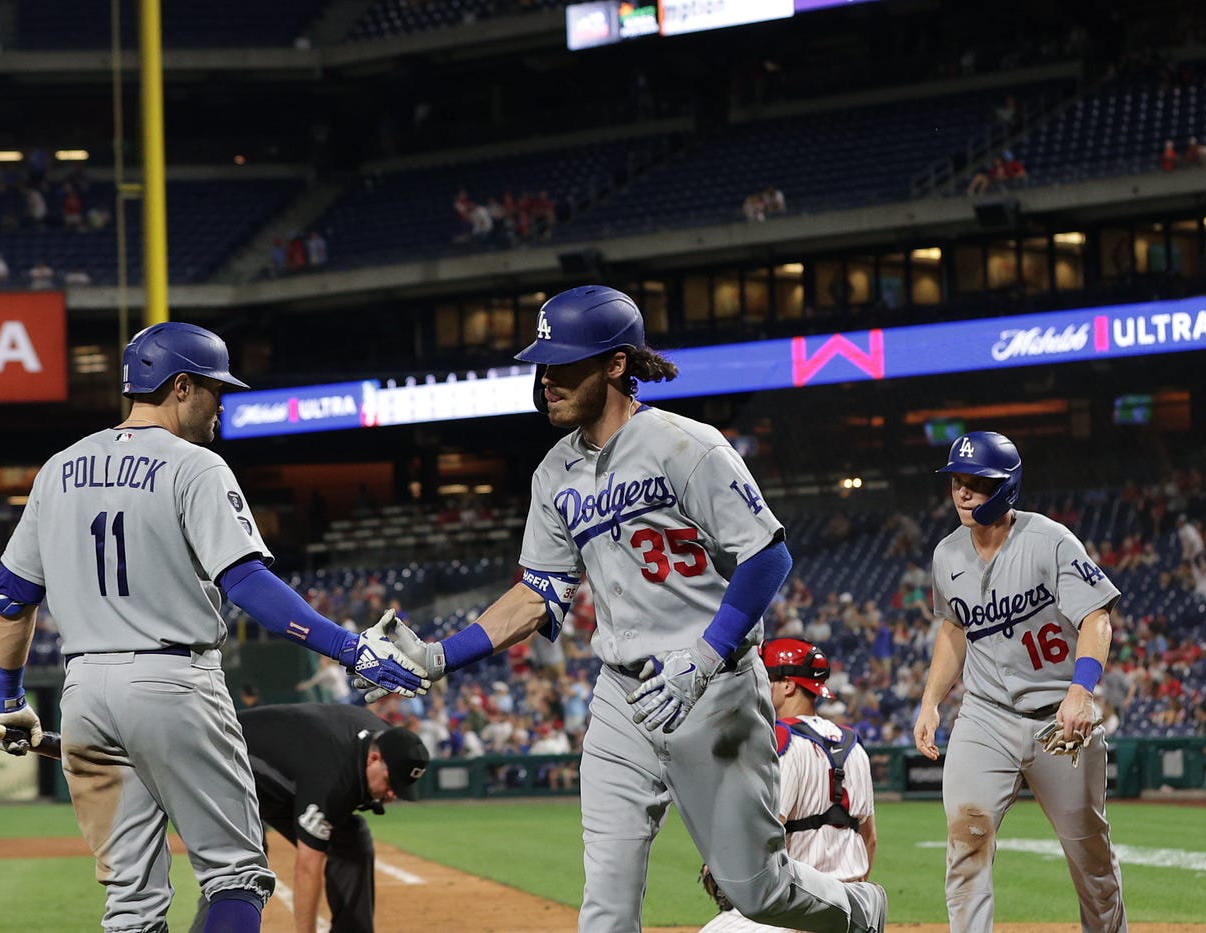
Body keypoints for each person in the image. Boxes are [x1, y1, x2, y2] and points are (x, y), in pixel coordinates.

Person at [370, 286, 887, 933]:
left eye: (564, 363)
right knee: (606, 902)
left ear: (616, 364)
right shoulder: (554, 474)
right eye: (543, 363)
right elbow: (537, 593)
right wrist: (440, 654)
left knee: (754, 890)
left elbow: (767, 557)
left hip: (714, 687)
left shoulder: (684, 444)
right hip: (620, 696)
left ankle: (860, 908)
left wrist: (703, 657)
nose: (547, 379)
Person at [0, 321, 427, 933]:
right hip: (173, 683)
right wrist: (349, 647)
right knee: (237, 874)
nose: (222, 404)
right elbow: (246, 585)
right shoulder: (196, 466)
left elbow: (12, 599)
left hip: (83, 693)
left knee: (131, 904)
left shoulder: (58, 469)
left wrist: (7, 697)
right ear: (183, 386)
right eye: (216, 389)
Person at [912, 431, 1126, 932]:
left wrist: (1081, 689)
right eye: (956, 482)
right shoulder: (947, 555)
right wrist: (930, 702)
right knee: (967, 843)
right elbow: (954, 628)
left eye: (976, 483)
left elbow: (1096, 616)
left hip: (1059, 722)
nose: (962, 493)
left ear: (1006, 487)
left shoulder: (1048, 540)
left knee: (1089, 857)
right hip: (984, 718)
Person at [188, 704, 430, 933]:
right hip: (221, 766)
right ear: (373, 759)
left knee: (350, 840)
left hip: (279, 782)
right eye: (390, 783)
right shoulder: (333, 774)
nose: (392, 794)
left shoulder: (388, 745)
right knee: (240, 866)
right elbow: (308, 866)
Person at [700, 638, 878, 933]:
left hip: (799, 908)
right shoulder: (854, 745)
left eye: (765, 676)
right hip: (855, 907)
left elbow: (765, 837)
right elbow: (870, 839)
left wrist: (720, 868)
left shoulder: (779, 741)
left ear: (787, 685)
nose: (758, 684)